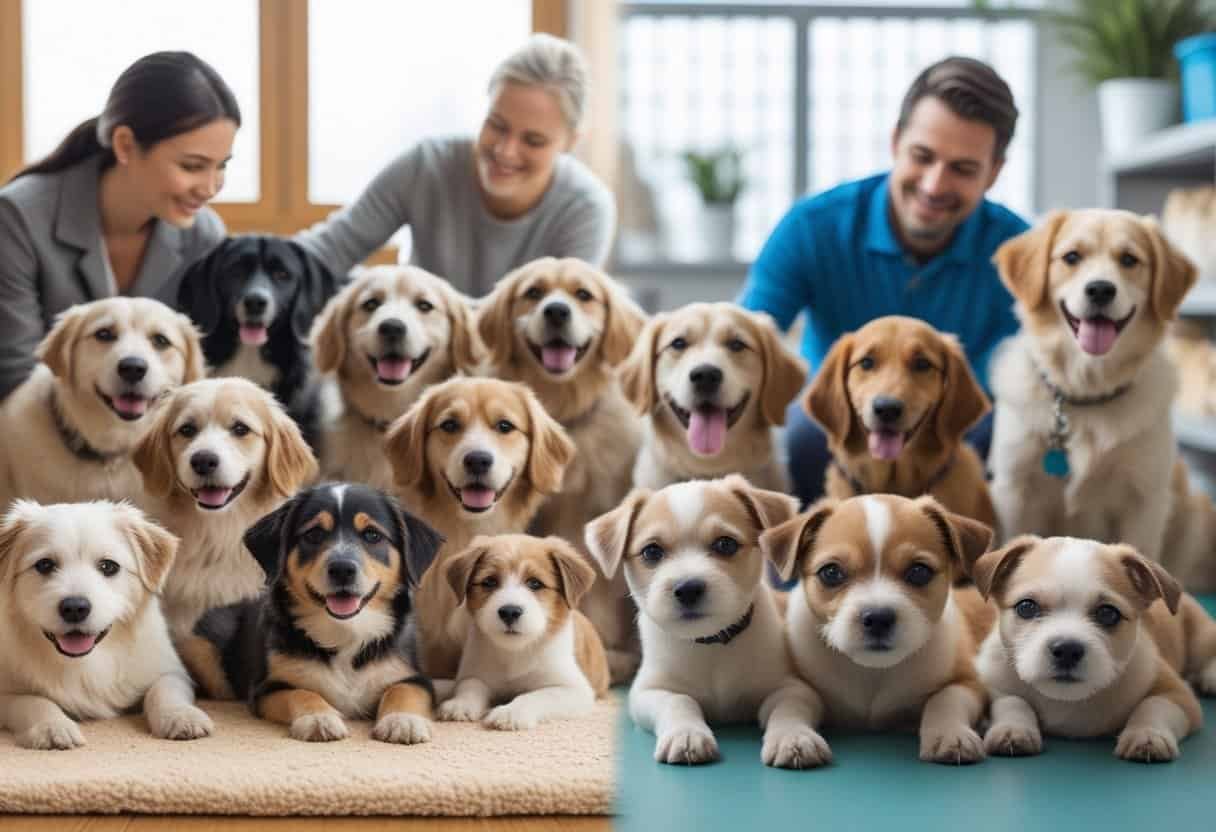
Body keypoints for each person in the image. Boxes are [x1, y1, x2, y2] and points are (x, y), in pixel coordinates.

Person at [737, 56, 1029, 506]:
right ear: (895, 142)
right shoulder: (813, 226)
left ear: (994, 172)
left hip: (964, 434)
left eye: (963, 169)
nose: (934, 185)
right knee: (804, 438)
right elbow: (745, 341)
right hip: (837, 432)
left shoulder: (1020, 254)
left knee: (1007, 431)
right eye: (922, 156)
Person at [295, 33, 616, 297]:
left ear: (570, 143)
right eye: (497, 126)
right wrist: (254, 266)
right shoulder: (426, 168)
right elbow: (330, 249)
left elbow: (558, 324)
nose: (506, 151)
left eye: (533, 141)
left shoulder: (585, 208)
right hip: (416, 363)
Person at [0, 50, 240, 402]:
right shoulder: (17, 218)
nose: (210, 187)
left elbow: (204, 373)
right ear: (125, 145)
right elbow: (14, 374)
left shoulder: (203, 236)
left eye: (221, 166)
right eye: (192, 166)